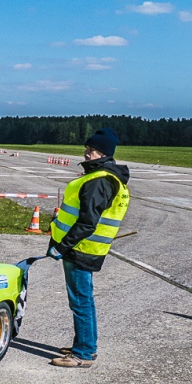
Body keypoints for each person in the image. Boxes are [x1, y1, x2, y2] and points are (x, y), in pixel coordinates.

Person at [46, 128, 130, 368]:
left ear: (102, 153)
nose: (85, 154)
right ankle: (85, 344)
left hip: (80, 249)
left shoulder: (100, 181)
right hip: (84, 249)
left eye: (90, 150)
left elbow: (87, 223)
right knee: (84, 299)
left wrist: (61, 247)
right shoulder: (107, 178)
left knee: (80, 301)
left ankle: (83, 353)